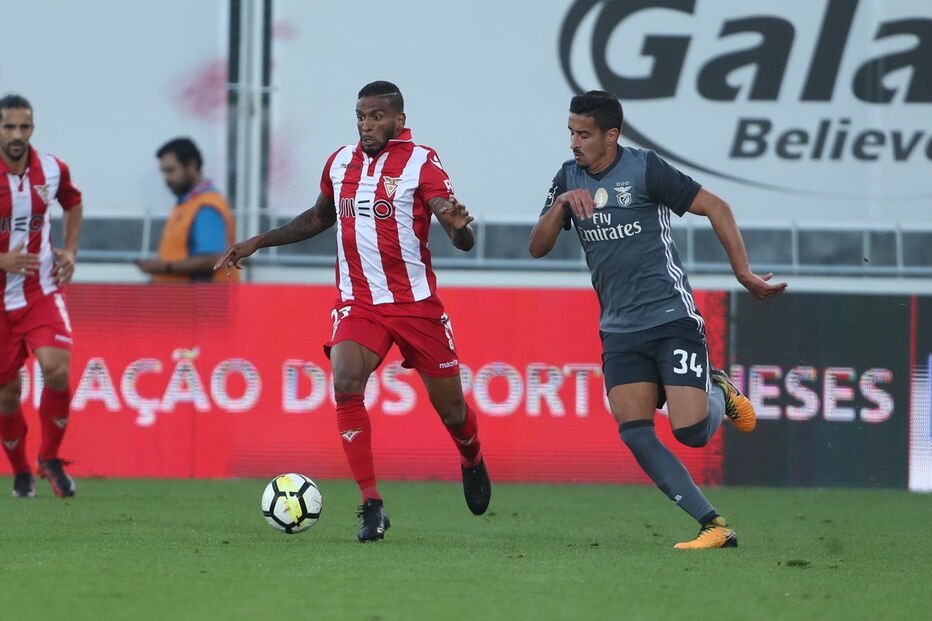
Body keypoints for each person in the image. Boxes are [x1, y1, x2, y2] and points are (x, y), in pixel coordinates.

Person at [216, 81, 491, 542]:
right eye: (361, 116)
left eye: (377, 117)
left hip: (415, 305)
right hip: (358, 302)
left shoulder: (421, 162)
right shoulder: (340, 162)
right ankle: (372, 505)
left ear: (399, 120)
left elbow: (454, 228)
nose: (367, 125)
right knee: (344, 381)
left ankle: (471, 454)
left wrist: (460, 228)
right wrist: (258, 241)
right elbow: (318, 217)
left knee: (452, 411)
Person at [529, 91, 787, 549]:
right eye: (570, 132)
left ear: (611, 135)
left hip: (671, 318)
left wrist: (744, 274)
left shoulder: (645, 168)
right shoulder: (568, 177)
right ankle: (713, 524)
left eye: (583, 134)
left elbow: (717, 207)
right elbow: (537, 247)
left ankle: (718, 389)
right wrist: (561, 205)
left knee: (690, 432)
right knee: (635, 431)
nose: (573, 143)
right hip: (618, 329)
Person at [0, 94, 85, 498]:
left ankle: (49, 457)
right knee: (7, 394)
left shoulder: (52, 168)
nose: (17, 135)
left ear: (32, 128)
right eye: (9, 127)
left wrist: (70, 250)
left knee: (56, 369)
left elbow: (73, 201)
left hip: (40, 289)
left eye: (24, 126)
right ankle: (21, 471)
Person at [135, 138, 238, 283]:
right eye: (164, 172)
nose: (166, 179)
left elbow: (213, 258)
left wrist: (164, 267)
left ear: (191, 165)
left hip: (203, 296)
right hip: (183, 295)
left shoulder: (206, 206)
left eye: (171, 170)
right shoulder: (187, 204)